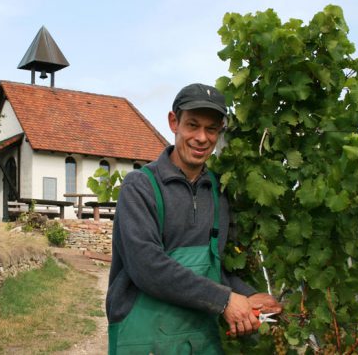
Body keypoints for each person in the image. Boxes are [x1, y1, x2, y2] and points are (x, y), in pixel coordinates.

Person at [106, 83, 282, 354]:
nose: (201, 138)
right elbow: (147, 266)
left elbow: (212, 269)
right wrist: (225, 301)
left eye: (211, 129)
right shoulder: (140, 186)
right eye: (192, 125)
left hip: (200, 340)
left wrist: (249, 298)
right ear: (173, 122)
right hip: (144, 340)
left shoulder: (218, 193)